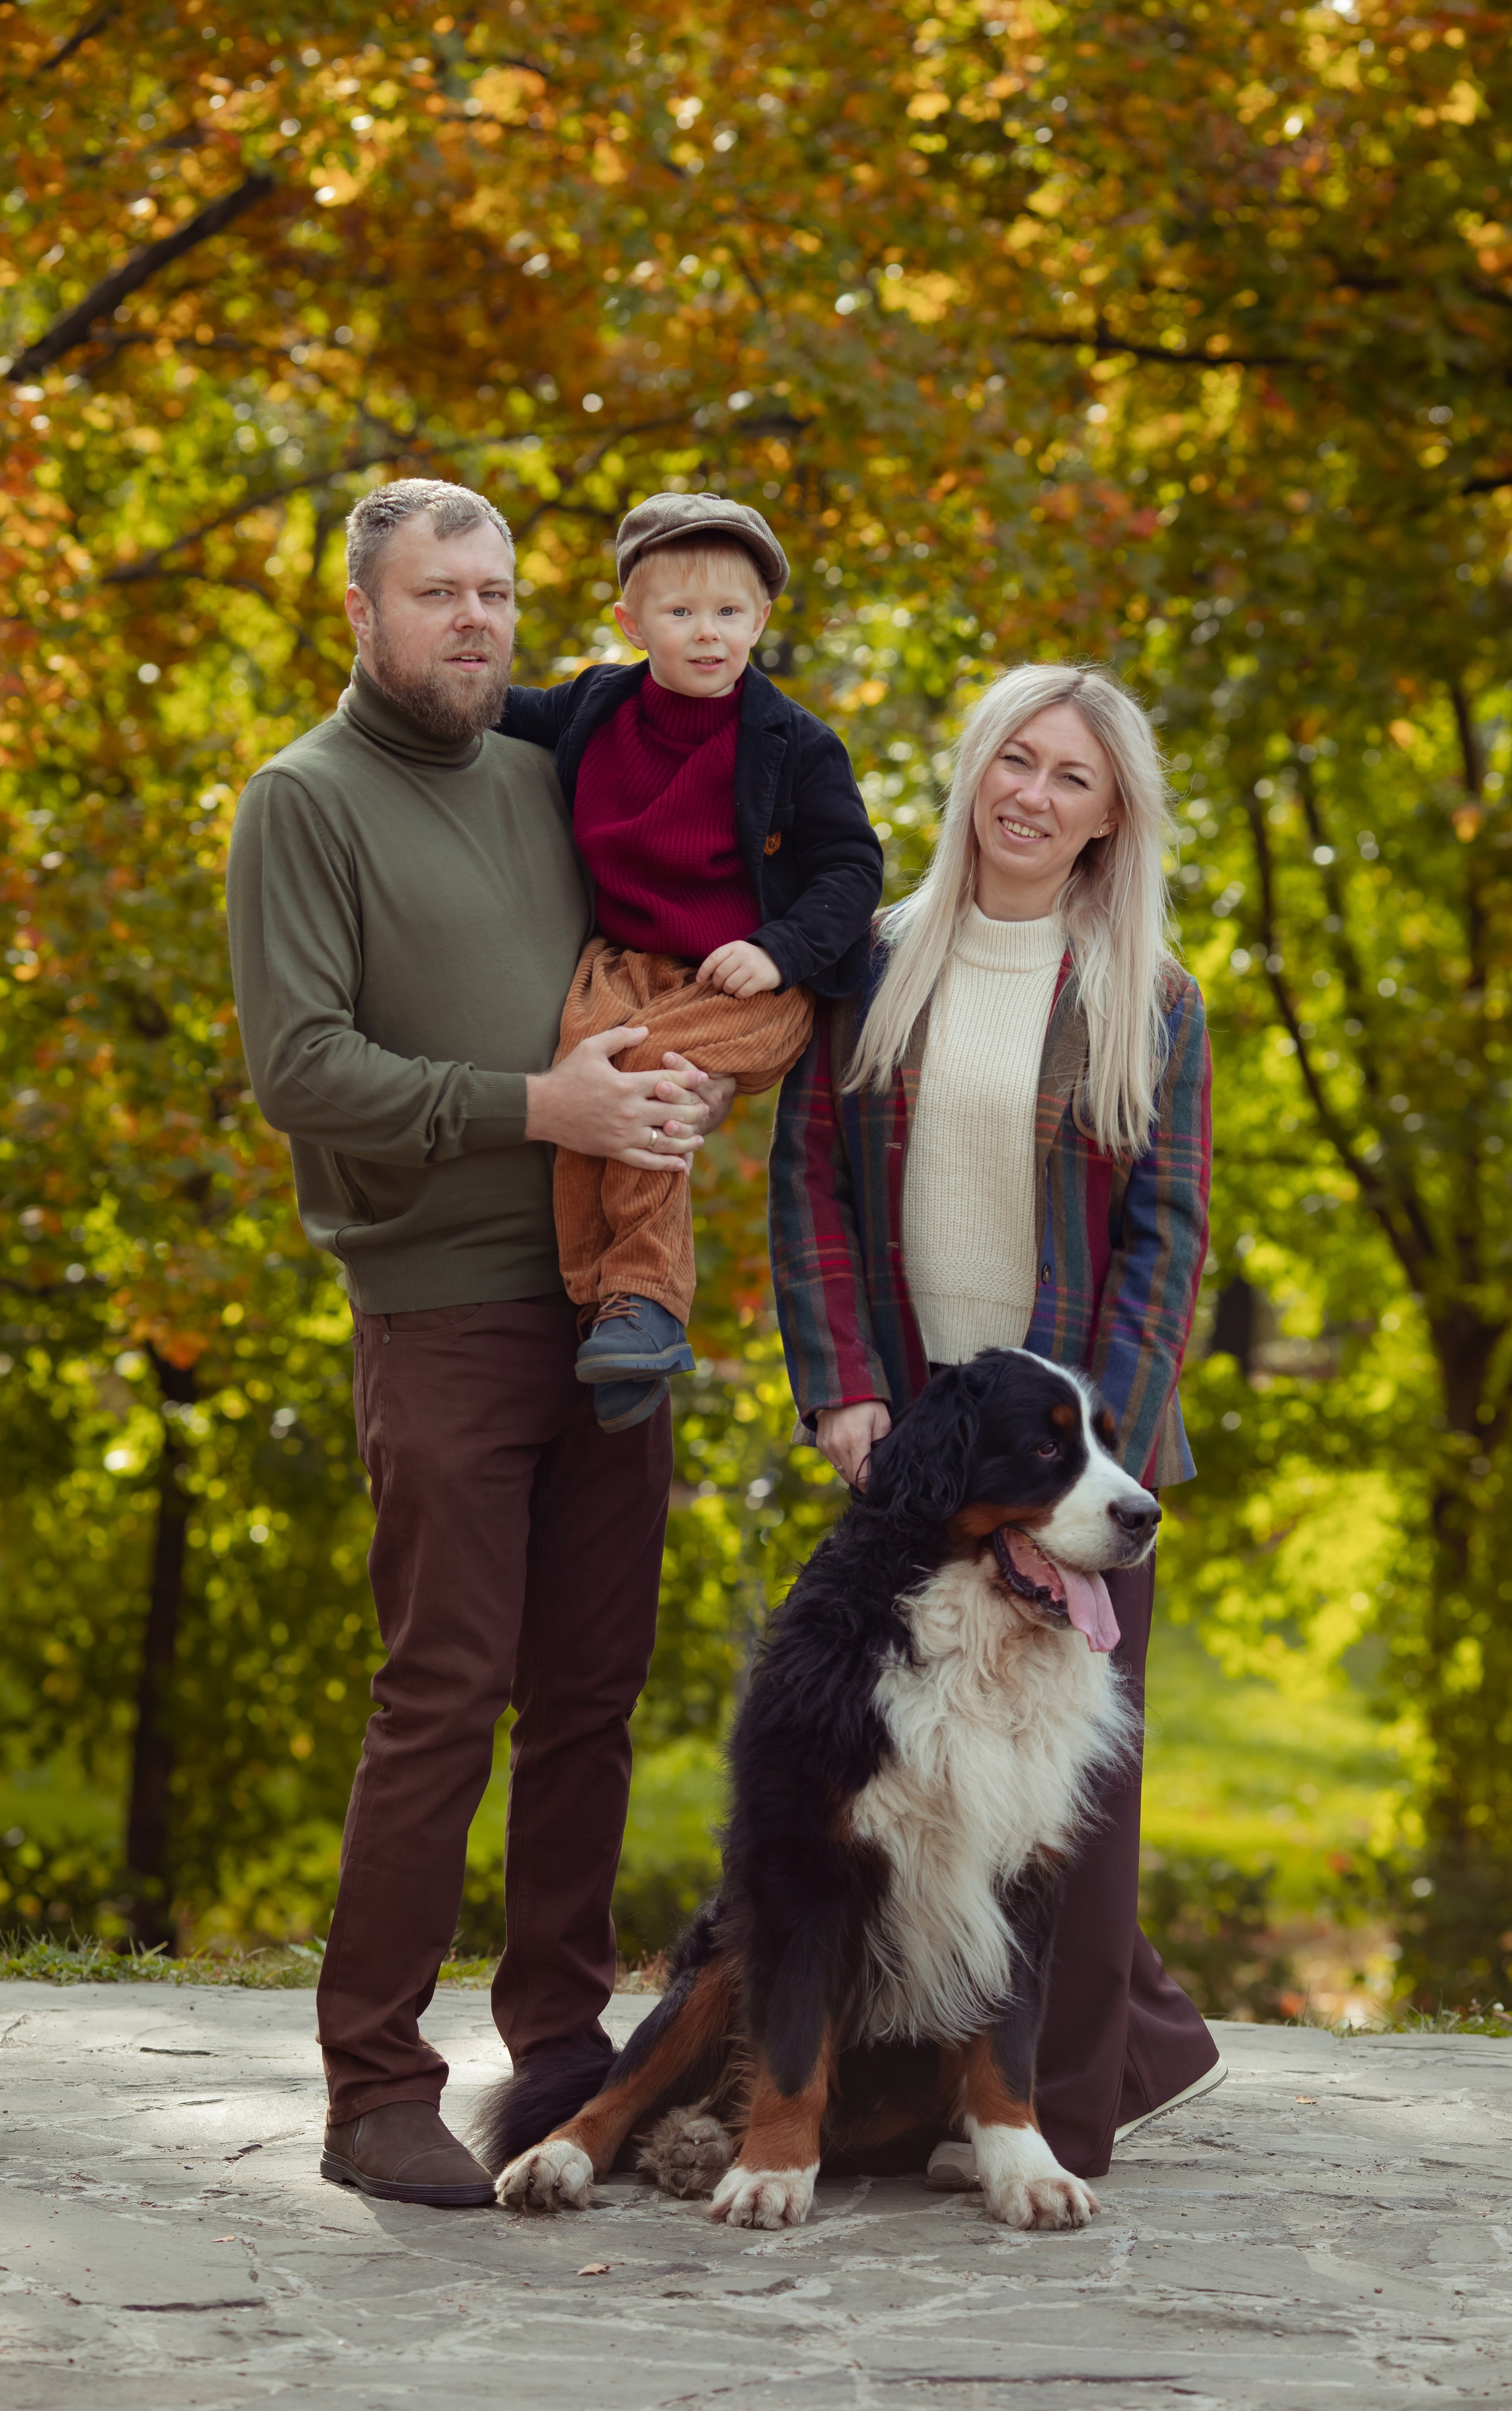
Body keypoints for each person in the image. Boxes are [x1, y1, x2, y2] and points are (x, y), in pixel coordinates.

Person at [226, 478, 737, 2208]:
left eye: (499, 594)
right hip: (439, 1309)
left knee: (591, 1699)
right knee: (443, 1697)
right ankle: (374, 2087)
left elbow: (644, 966)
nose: (475, 622)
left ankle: (561, 2055)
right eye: (438, 594)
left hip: (615, 1309)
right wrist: (541, 1103)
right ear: (359, 616)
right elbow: (300, 1069)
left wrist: (675, 1081)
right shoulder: (304, 801)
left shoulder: (551, 773)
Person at [769, 661, 1224, 2183]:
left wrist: (1094, 1454)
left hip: (1080, 1460)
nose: (1031, 795)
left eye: (1071, 779)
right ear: (973, 768)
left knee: (1064, 1805)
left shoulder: (1147, 1000)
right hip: (914, 1447)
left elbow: (1168, 1239)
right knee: (905, 1773)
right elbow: (812, 1195)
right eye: (1012, 761)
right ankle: (943, 2084)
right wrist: (840, 1385)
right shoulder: (874, 964)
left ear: (1107, 821)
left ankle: (1061, 2122)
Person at [497, 492, 883, 1431]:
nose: (707, 635)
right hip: (628, 963)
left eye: (729, 613)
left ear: (760, 618)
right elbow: (499, 711)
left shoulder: (793, 742)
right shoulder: (598, 704)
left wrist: (777, 947)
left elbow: (850, 866)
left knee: (641, 1071)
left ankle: (648, 1296)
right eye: (680, 613)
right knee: (582, 1072)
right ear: (632, 623)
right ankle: (606, 1312)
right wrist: (408, 687)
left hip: (748, 980)